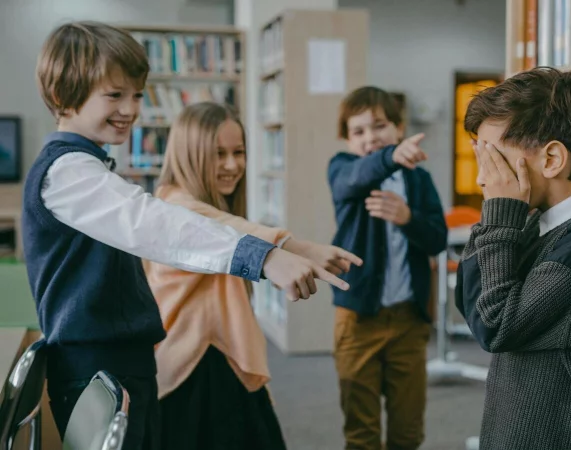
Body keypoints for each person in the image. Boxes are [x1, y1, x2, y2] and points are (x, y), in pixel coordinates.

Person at [24, 21, 348, 449]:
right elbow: (152, 222)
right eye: (115, 95)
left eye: (137, 95)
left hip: (119, 363)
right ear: (64, 94)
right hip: (99, 367)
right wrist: (266, 257)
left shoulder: (89, 165)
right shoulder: (66, 172)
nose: (131, 108)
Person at [142, 102, 361, 449]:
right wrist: (297, 248)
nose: (232, 165)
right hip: (195, 365)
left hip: (212, 355)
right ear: (189, 154)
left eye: (239, 152)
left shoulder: (192, 202)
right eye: (218, 154)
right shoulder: (175, 207)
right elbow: (229, 230)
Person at [454, 67, 571, 449]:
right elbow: (472, 300)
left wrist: (501, 214)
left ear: (552, 158)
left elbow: (496, 326)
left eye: (495, 159)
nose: (484, 178)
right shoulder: (537, 223)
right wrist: (501, 218)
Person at [327, 86, 447, 450]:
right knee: (361, 432)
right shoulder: (344, 168)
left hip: (409, 322)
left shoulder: (419, 179)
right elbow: (357, 176)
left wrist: (408, 218)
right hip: (358, 320)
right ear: (347, 140)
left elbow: (437, 238)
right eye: (358, 131)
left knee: (407, 432)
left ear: (399, 127)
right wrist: (391, 156)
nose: (369, 137)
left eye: (379, 126)